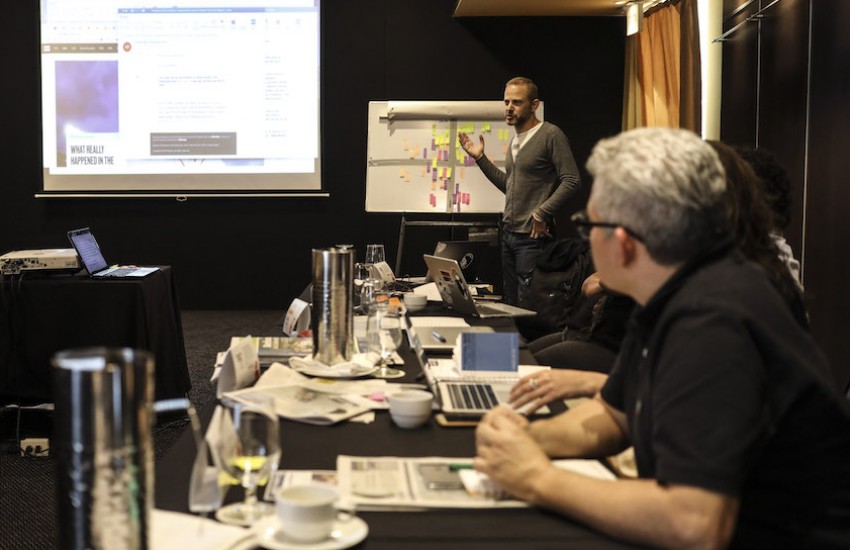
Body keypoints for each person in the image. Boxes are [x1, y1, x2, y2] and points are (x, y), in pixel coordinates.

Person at [474, 128, 850, 549]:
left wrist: (537, 478)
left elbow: (694, 523)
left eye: (588, 225)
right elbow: (614, 415)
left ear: (624, 242)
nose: (587, 237)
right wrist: (527, 439)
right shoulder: (669, 292)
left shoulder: (713, 317)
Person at [509, 139, 810, 413]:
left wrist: (539, 470)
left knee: (516, 364)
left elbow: (691, 431)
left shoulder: (728, 298)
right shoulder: (679, 282)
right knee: (511, 355)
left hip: (600, 350)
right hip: (591, 343)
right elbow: (629, 408)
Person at [458, 77, 581, 306]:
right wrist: (480, 159)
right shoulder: (516, 142)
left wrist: (542, 212)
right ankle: (515, 343)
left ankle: (530, 343)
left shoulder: (550, 135)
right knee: (512, 305)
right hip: (509, 234)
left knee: (529, 306)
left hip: (532, 239)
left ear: (534, 105)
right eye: (506, 102)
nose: (509, 108)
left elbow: (572, 179)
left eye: (517, 102)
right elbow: (511, 186)